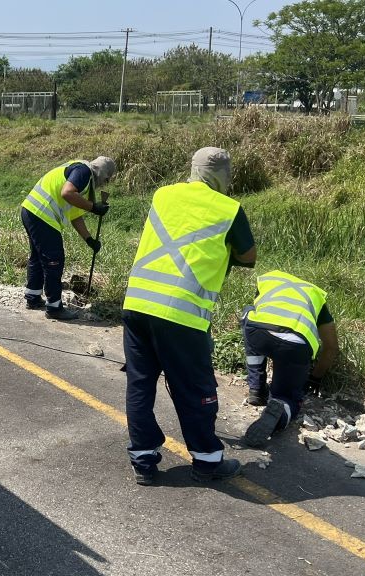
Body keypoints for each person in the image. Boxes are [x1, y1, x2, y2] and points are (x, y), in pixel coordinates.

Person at [122, 147, 256, 485]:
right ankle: (208, 461)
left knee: (140, 383)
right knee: (196, 387)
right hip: (181, 312)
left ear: (193, 169)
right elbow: (249, 256)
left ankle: (143, 459)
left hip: (137, 302)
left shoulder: (163, 195)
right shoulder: (229, 209)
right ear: (225, 176)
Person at [241, 270, 339, 447]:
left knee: (248, 313)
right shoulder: (315, 296)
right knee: (287, 397)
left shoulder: (269, 280)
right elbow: (331, 347)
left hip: (259, 332)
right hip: (295, 346)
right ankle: (280, 411)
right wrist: (315, 377)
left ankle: (256, 387)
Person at [21, 156, 115, 320]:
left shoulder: (80, 178)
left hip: (31, 210)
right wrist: (94, 208)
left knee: (38, 256)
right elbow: (67, 193)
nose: (104, 184)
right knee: (54, 260)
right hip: (42, 214)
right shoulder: (83, 171)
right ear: (103, 174)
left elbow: (75, 215)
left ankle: (33, 297)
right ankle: (54, 307)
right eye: (106, 180)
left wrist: (89, 239)